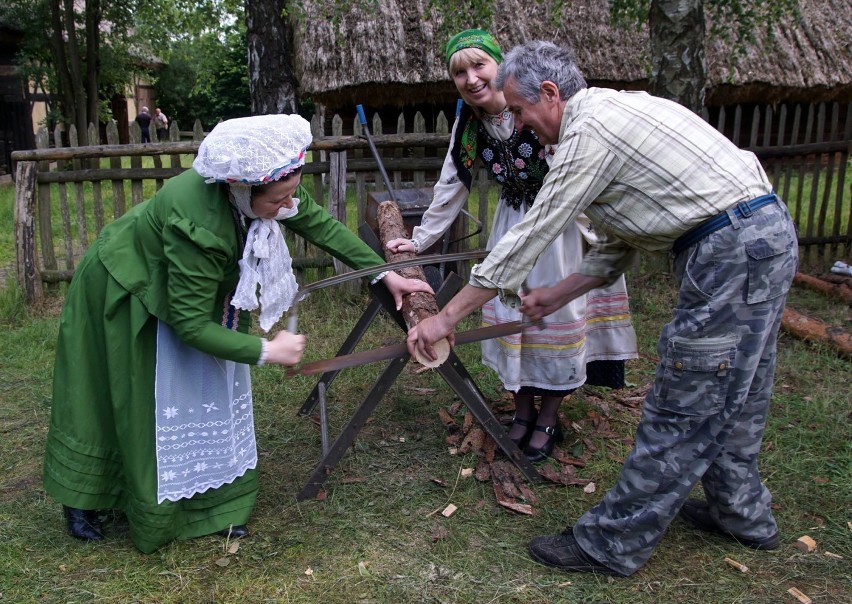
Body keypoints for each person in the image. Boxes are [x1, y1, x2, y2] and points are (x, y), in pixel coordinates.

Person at [407, 41, 798, 576]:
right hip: (759, 236)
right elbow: (622, 237)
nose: (518, 124)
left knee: (684, 402)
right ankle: (742, 513)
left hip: (730, 249)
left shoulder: (587, 134)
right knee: (739, 389)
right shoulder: (612, 113)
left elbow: (533, 232)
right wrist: (558, 293)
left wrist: (445, 317)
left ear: (549, 94)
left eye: (520, 111)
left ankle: (611, 544)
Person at [43, 114, 432, 553]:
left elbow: (317, 223)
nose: (288, 206)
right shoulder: (200, 225)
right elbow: (191, 326)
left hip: (186, 288)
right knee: (131, 394)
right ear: (241, 188)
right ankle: (84, 496)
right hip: (125, 287)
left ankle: (210, 504)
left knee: (201, 392)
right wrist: (268, 351)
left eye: (291, 194)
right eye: (279, 200)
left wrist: (383, 275)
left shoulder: (266, 179)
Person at [387, 30, 637, 461]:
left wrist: (594, 235)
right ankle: (522, 411)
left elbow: (579, 173)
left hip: (560, 229)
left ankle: (548, 417)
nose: (470, 78)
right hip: (511, 222)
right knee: (510, 312)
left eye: (479, 65)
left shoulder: (544, 109)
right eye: (459, 72)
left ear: (500, 67)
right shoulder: (468, 123)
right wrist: (419, 240)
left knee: (554, 318)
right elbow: (453, 183)